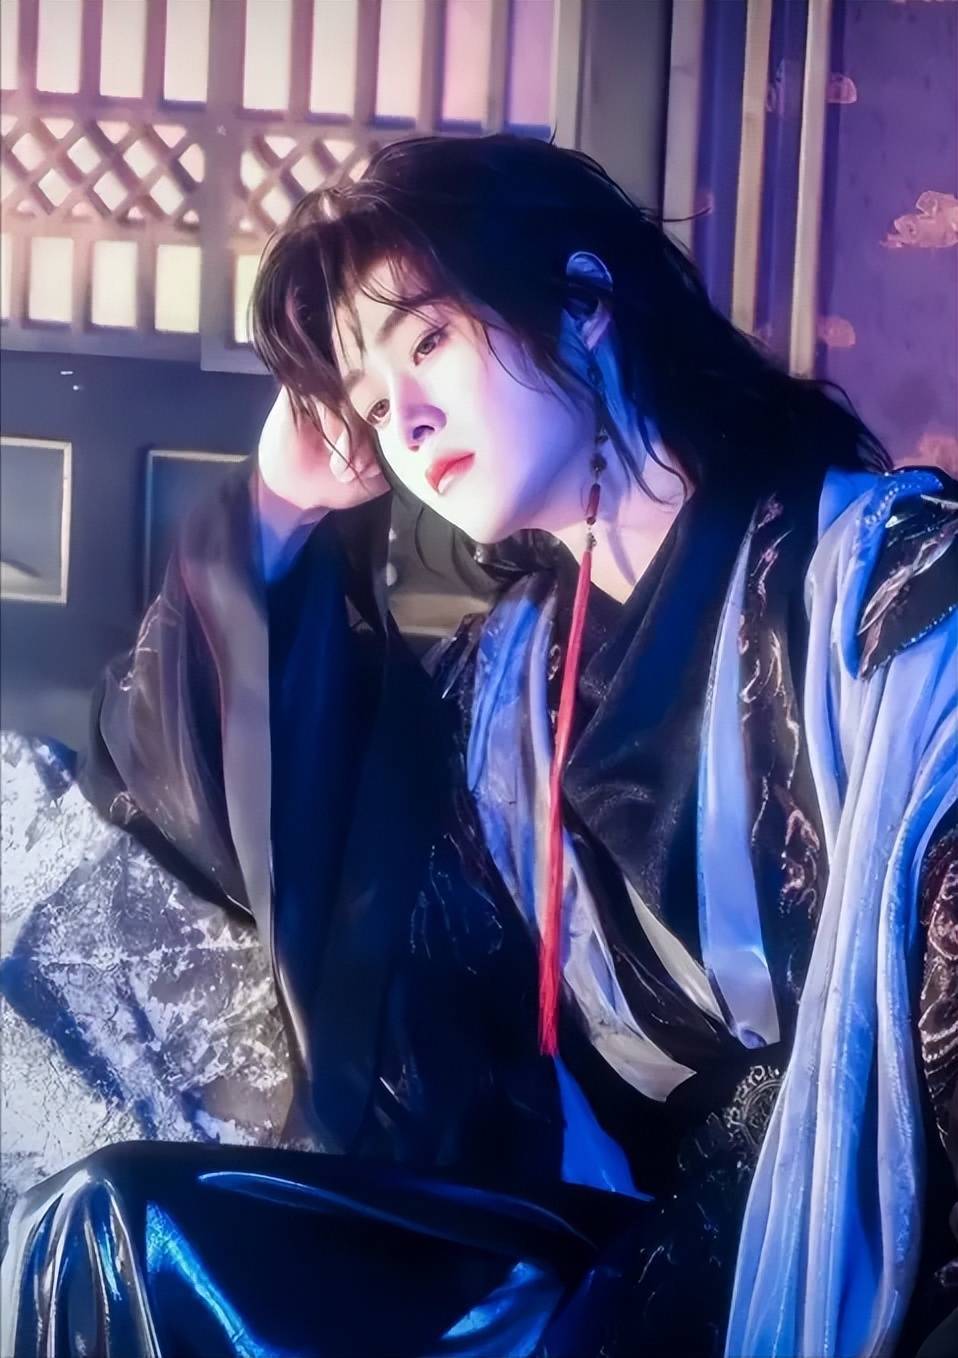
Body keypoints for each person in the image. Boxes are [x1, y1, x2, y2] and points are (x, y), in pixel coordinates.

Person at [2, 133, 956, 1358]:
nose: (401, 418)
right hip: (619, 1254)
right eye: (367, 398)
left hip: (874, 1235)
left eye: (429, 341)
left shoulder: (880, 591)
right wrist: (278, 503)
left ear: (581, 301)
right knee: (112, 1227)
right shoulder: (499, 695)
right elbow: (252, 818)